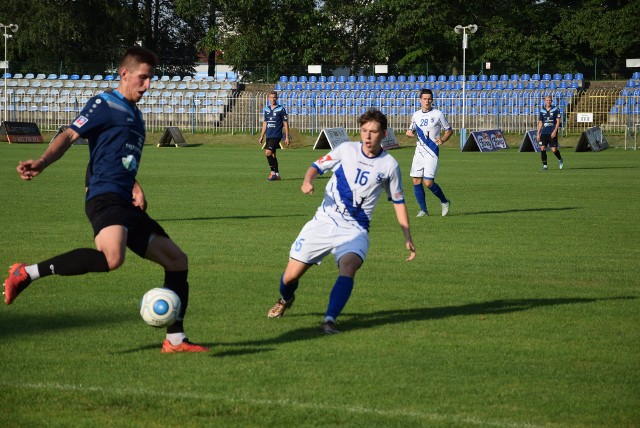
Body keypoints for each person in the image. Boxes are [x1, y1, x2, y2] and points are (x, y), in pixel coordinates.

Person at [2, 47, 208, 354]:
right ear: (125, 74)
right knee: (112, 258)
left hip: (125, 199)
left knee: (178, 261)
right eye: (143, 78)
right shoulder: (104, 103)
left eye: (151, 79)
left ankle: (175, 340)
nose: (148, 85)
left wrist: (136, 186)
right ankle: (26, 273)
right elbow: (70, 135)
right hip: (104, 196)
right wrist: (43, 161)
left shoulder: (136, 115)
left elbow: (117, 156)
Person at [267, 109, 416, 333]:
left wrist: (407, 236)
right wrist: (307, 181)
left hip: (354, 229)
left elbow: (398, 201)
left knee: (349, 266)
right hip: (324, 221)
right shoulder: (346, 149)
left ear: (384, 134)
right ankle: (285, 299)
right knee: (290, 277)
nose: (367, 136)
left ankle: (329, 320)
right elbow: (316, 166)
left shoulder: (389, 166)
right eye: (364, 130)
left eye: (373, 132)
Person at [406, 88, 453, 218]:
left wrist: (443, 139)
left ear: (432, 100)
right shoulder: (416, 115)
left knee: (428, 183)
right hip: (418, 153)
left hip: (431, 152)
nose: (427, 101)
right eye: (425, 99)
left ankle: (444, 201)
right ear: (420, 100)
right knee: (416, 181)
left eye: (429, 99)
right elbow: (411, 130)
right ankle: (424, 210)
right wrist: (409, 133)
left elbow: (449, 130)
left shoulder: (438, 114)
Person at [258, 90, 290, 181]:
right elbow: (265, 123)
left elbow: (285, 123)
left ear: (277, 98)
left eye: (274, 97)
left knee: (267, 152)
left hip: (276, 135)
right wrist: (261, 136)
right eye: (271, 97)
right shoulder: (267, 109)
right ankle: (277, 174)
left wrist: (287, 136)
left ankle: (272, 173)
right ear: (268, 98)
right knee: (272, 155)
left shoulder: (281, 109)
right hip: (269, 135)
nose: (273, 99)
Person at [537, 95, 564, 170]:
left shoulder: (555, 109)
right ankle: (545, 166)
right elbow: (540, 122)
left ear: (551, 101)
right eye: (547, 100)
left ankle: (560, 159)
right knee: (542, 148)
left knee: (554, 150)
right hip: (544, 133)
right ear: (545, 101)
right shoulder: (542, 110)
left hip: (552, 132)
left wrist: (555, 131)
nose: (548, 101)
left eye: (550, 100)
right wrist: (538, 133)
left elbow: (558, 121)